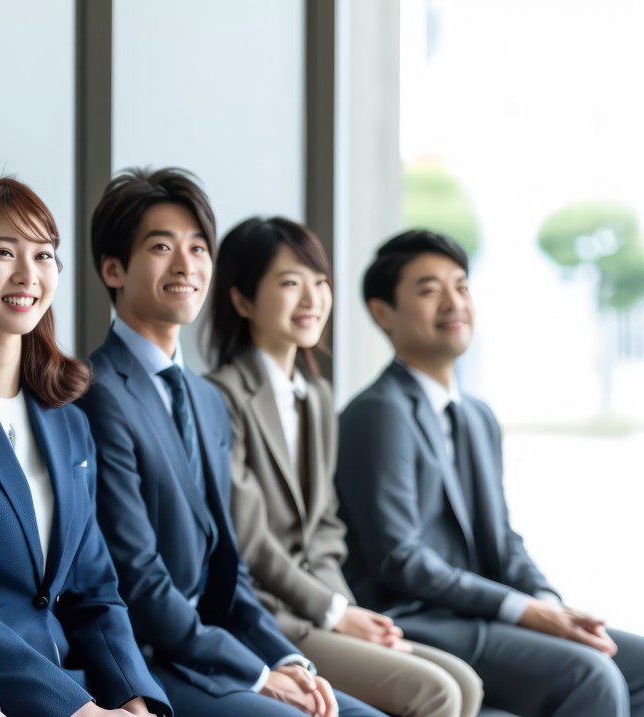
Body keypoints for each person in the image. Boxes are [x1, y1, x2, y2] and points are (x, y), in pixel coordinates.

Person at [78, 168, 380, 717]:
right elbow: (138, 578)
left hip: (215, 647)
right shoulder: (97, 393)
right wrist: (254, 672)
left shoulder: (205, 399)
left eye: (198, 248)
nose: (186, 264)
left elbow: (230, 567)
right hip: (150, 658)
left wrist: (285, 660)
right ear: (112, 267)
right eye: (162, 246)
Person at [336, 229, 644, 716]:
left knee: (638, 661)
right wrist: (522, 610)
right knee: (591, 674)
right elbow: (400, 559)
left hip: (480, 614)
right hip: (418, 620)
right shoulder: (377, 412)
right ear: (382, 312)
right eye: (428, 289)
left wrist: (545, 600)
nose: (452, 301)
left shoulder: (476, 415)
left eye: (460, 286)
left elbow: (502, 537)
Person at [0, 174, 170, 717]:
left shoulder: (67, 421)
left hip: (83, 687)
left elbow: (94, 590)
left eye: (44, 256)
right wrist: (76, 709)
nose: (29, 274)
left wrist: (134, 696)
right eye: (4, 252)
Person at [205, 217, 482, 717]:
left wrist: (348, 611)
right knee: (437, 691)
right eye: (291, 283)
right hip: (267, 615)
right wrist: (335, 613)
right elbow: (250, 540)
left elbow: (327, 527)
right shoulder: (222, 396)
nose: (312, 299)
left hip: (326, 605)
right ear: (243, 301)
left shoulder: (317, 397)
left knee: (463, 682)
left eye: (320, 282)